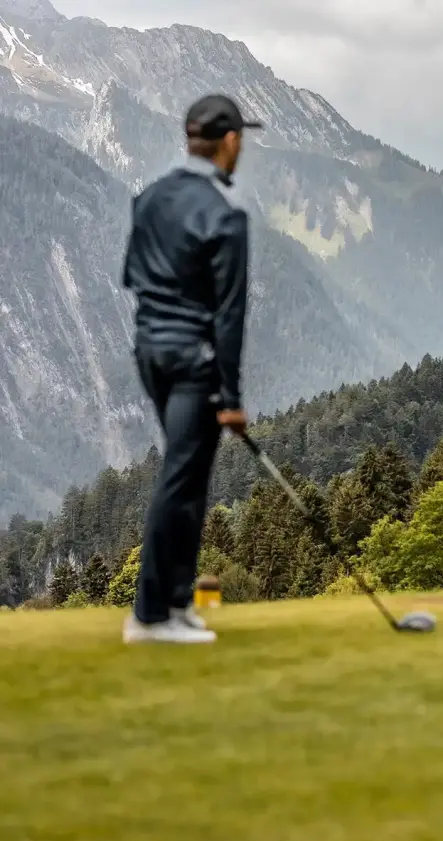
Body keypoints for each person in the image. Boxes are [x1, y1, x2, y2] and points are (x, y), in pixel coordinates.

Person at [120, 94, 262, 644]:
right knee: (181, 478)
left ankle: (176, 605)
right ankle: (150, 616)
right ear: (229, 143)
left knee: (191, 475)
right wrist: (229, 395)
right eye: (240, 139)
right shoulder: (225, 215)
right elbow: (229, 315)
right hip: (194, 361)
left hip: (149, 351)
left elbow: (132, 275)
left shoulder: (149, 198)